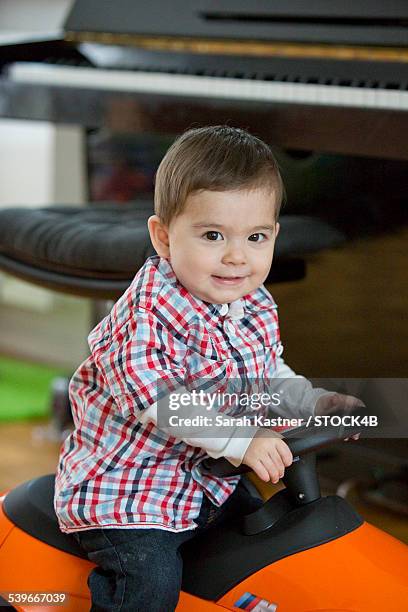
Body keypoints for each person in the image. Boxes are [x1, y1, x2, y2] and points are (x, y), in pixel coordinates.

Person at [54, 125, 360, 611]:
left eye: (255, 236)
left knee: (263, 544)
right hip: (133, 494)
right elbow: (163, 402)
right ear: (164, 237)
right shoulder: (147, 316)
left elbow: (266, 371)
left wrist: (312, 401)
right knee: (150, 584)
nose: (237, 256)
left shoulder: (251, 300)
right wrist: (243, 440)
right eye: (213, 235)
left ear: (274, 236)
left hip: (207, 479)